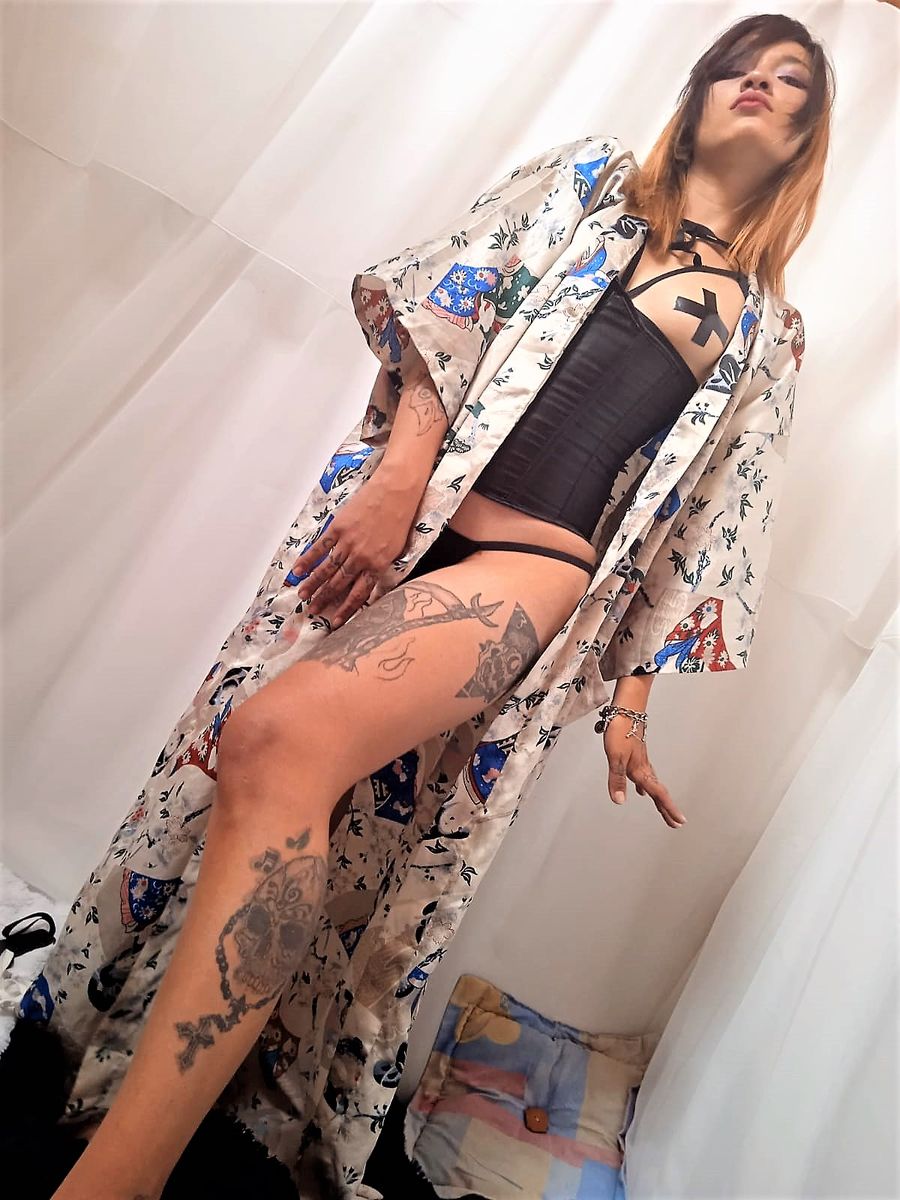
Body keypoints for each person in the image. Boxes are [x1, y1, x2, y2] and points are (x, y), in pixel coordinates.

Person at [0, 12, 833, 1200]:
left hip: (532, 567)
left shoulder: (765, 333)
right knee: (264, 777)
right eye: (738, 63)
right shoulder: (590, 181)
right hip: (411, 516)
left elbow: (707, 531)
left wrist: (631, 705)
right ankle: (166, 1098)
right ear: (698, 92)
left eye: (789, 77)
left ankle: (116, 1180)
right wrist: (398, 477)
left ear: (806, 135)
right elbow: (452, 297)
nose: (756, 80)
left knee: (278, 738)